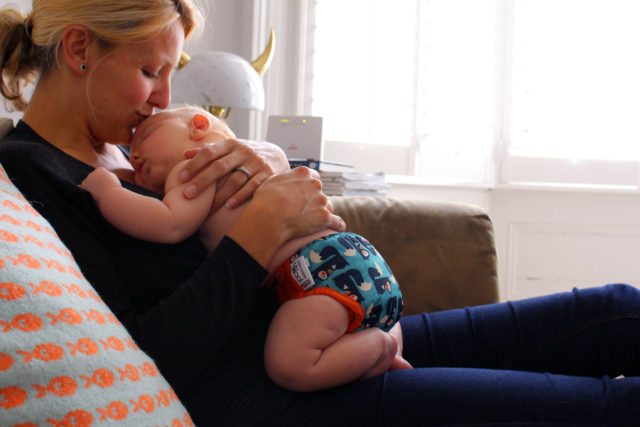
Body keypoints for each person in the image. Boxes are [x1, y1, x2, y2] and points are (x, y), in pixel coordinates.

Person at [0, 1, 639, 425]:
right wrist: (258, 233)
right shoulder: (35, 175)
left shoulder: (123, 148)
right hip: (266, 390)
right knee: (606, 407)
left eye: (172, 72)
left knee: (615, 306)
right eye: (150, 71)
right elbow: (144, 352)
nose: (166, 96)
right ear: (81, 50)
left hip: (323, 330)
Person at [79, 106, 408, 391]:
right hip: (353, 258)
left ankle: (379, 348)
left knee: (289, 367)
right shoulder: (249, 161)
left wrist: (107, 190)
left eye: (145, 137)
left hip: (316, 276)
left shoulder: (195, 167)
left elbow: (169, 223)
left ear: (198, 127)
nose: (132, 154)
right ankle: (388, 340)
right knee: (362, 319)